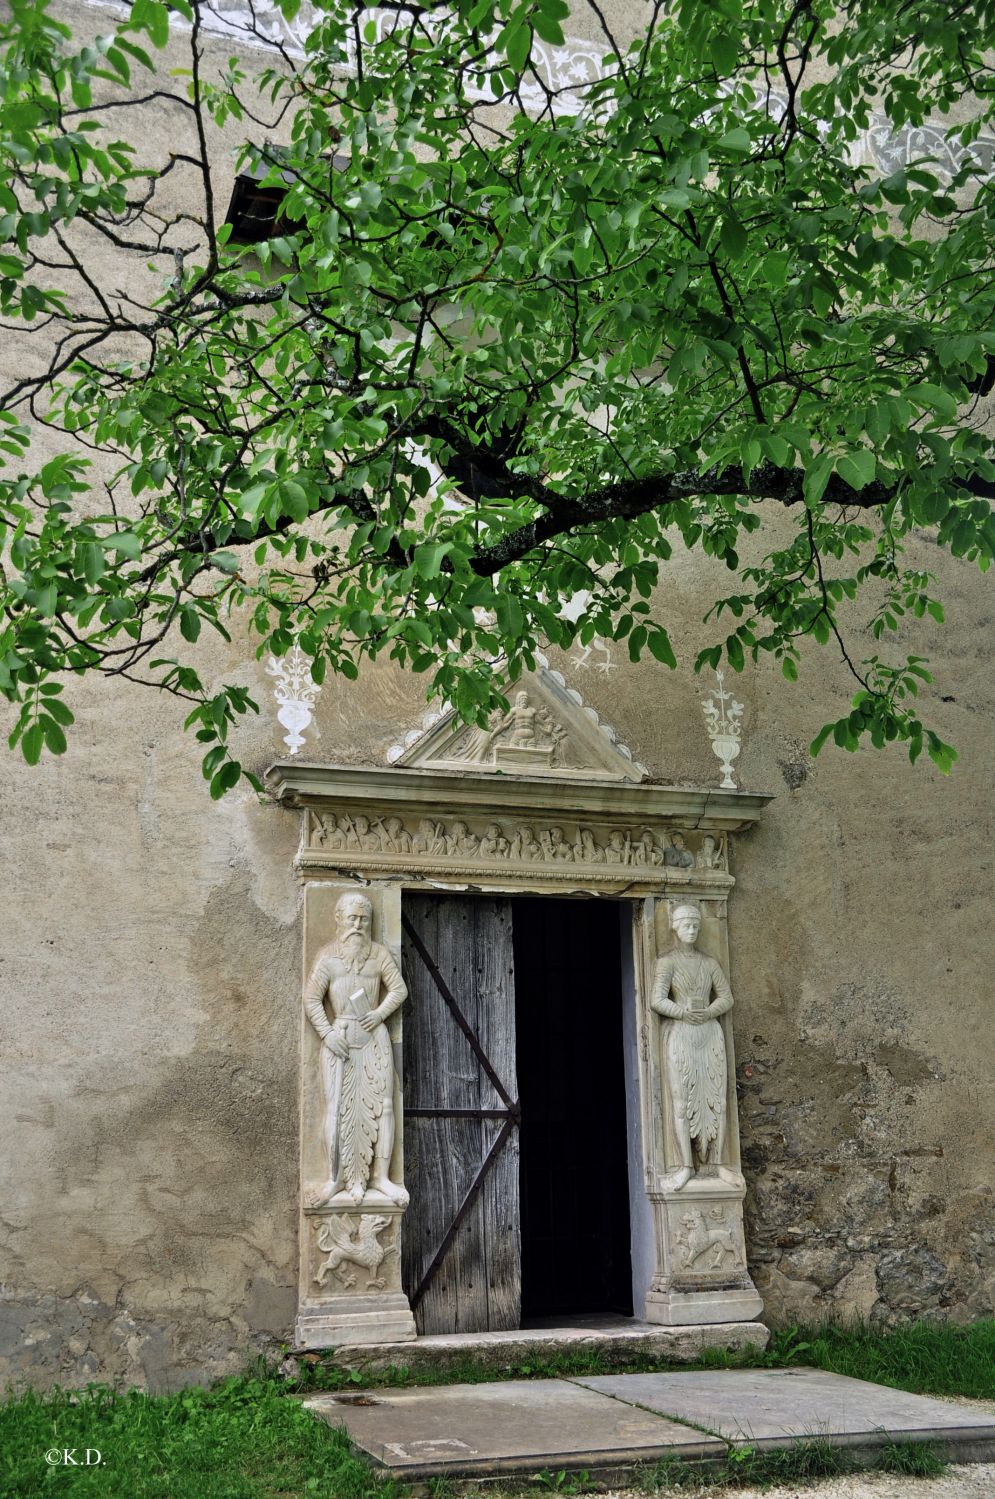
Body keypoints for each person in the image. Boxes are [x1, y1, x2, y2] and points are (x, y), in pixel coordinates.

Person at [303, 893, 408, 1207]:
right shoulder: (329, 959)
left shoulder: (378, 955)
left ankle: (381, 1177)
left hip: (374, 1038)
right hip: (340, 1039)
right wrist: (327, 1032)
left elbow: (399, 989)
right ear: (339, 920)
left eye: (363, 919)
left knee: (384, 1106)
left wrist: (377, 1014)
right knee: (336, 1107)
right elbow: (311, 999)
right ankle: (335, 1180)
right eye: (352, 918)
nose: (358, 925)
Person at [651, 902, 733, 1190]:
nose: (692, 930)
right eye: (686, 924)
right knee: (682, 1101)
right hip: (682, 1034)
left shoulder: (709, 963)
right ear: (674, 927)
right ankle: (686, 1166)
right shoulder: (667, 963)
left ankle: (718, 1163)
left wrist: (709, 1012)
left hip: (709, 1034)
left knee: (718, 1100)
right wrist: (683, 1012)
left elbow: (726, 997)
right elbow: (657, 999)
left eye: (696, 925)